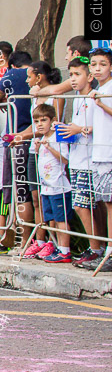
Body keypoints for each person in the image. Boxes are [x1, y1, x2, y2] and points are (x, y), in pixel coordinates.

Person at [0, 48, 34, 254]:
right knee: (25, 192)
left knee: (12, 192)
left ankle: (16, 240)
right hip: (30, 137)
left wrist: (4, 100)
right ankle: (24, 240)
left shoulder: (13, 74)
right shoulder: (34, 77)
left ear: (11, 65)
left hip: (16, 139)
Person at [57, 57, 104, 268]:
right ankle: (95, 246)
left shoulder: (95, 99)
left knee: (82, 206)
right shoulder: (77, 99)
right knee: (81, 206)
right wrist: (68, 130)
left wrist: (79, 130)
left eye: (77, 75)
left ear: (90, 76)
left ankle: (97, 248)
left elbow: (97, 127)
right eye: (71, 75)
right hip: (76, 158)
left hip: (89, 161)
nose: (73, 79)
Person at [29, 104, 73, 263]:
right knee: (51, 219)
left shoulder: (56, 137)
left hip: (59, 187)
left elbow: (65, 159)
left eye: (43, 120)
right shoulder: (42, 138)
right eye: (36, 121)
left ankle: (65, 251)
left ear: (53, 120)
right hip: (46, 187)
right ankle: (55, 246)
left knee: (62, 220)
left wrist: (49, 147)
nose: (40, 124)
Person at [86, 47, 112, 271]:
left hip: (109, 154)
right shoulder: (98, 89)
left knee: (111, 206)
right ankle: (105, 250)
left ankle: (110, 252)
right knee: (104, 204)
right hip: (99, 154)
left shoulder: (107, 90)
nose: (97, 68)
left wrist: (102, 103)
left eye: (102, 64)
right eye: (94, 64)